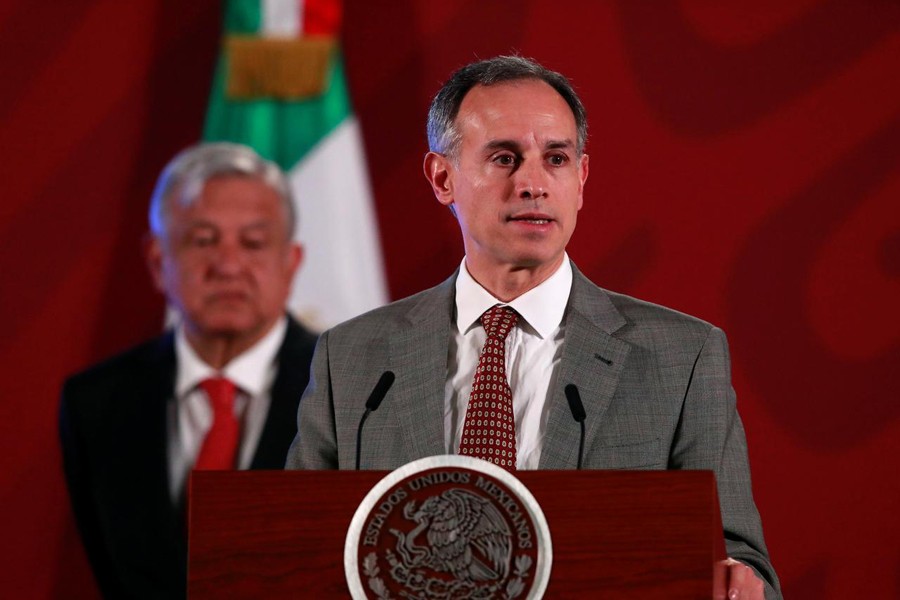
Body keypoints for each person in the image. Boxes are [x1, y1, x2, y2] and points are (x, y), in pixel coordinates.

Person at [285, 56, 780, 598]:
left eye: (556, 159)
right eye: (504, 158)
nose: (533, 184)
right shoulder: (353, 357)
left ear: (581, 179)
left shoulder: (681, 358)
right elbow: (292, 549)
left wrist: (740, 580)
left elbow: (739, 559)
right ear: (443, 178)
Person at [60, 142, 317, 599]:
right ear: (158, 261)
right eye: (202, 240)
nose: (228, 266)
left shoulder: (354, 388)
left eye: (253, 243)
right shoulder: (95, 402)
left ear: (291, 263)